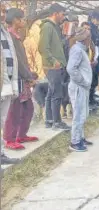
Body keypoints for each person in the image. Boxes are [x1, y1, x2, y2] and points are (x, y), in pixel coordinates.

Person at [3, 8, 38, 150]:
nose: (23, 21)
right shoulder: (10, 37)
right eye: (21, 19)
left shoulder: (16, 36)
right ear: (16, 20)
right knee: (14, 110)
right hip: (16, 79)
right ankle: (9, 139)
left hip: (23, 78)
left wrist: (30, 74)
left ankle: (21, 135)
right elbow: (17, 61)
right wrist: (28, 75)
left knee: (28, 108)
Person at [38, 3, 70, 130]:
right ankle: (57, 122)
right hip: (52, 67)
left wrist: (67, 38)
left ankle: (49, 121)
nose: (63, 17)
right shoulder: (47, 26)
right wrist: (53, 61)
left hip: (56, 65)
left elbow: (56, 46)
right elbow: (42, 47)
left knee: (51, 93)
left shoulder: (55, 27)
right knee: (57, 94)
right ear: (55, 13)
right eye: (62, 14)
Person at [67, 28, 93, 152]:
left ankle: (81, 137)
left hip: (82, 87)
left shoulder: (81, 50)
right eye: (89, 37)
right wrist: (83, 81)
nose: (90, 39)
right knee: (78, 115)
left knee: (83, 114)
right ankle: (75, 142)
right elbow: (71, 69)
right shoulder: (77, 50)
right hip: (79, 87)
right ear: (85, 39)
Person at [0, 5, 20, 163]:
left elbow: (11, 58)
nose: (2, 14)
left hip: (6, 84)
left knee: (1, 120)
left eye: (3, 12)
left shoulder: (5, 32)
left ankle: (0, 154)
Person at [88, 11, 99, 108]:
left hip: (97, 54)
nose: (97, 22)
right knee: (90, 79)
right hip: (90, 56)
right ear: (92, 18)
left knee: (94, 80)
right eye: (96, 19)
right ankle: (89, 100)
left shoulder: (97, 29)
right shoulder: (89, 28)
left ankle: (92, 98)